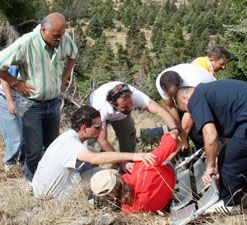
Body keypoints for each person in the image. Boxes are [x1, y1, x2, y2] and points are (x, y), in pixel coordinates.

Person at [175, 79, 247, 210]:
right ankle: (242, 194)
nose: (192, 115)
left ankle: (229, 203)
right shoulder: (211, 92)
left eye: (188, 110)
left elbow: (211, 137)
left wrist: (210, 166)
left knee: (229, 160)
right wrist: (217, 157)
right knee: (239, 155)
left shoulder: (196, 98)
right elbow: (231, 139)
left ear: (186, 98)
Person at [0, 13, 78, 184]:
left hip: (53, 103)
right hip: (31, 104)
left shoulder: (63, 39)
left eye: (62, 34)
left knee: (52, 146)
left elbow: (73, 54)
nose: (59, 39)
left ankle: (50, 180)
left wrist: (65, 76)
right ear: (43, 30)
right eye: (56, 35)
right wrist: (15, 83)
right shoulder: (26, 43)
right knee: (34, 149)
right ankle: (32, 181)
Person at [32, 105, 156, 200]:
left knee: (91, 152)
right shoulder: (71, 144)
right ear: (84, 128)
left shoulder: (68, 136)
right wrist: (134, 156)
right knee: (112, 177)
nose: (101, 129)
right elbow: (94, 158)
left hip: (41, 188)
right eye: (97, 127)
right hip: (51, 194)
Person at [90, 81, 178, 171]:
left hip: (120, 116)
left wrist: (174, 128)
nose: (130, 108)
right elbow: (102, 140)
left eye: (131, 104)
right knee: (96, 139)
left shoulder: (135, 96)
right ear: (114, 105)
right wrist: (122, 162)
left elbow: (160, 110)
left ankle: (129, 165)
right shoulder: (100, 109)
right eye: (125, 107)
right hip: (99, 114)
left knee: (129, 135)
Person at [90, 129, 179, 213]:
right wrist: (172, 132)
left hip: (162, 204)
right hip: (170, 177)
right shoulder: (143, 166)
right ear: (115, 174)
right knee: (159, 157)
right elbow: (170, 142)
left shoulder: (127, 209)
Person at [156, 63, 216, 149]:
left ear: (180, 85)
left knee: (203, 130)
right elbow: (170, 106)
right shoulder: (160, 83)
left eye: (173, 94)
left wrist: (182, 137)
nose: (172, 97)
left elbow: (190, 115)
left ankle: (209, 150)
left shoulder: (194, 81)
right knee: (184, 130)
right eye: (170, 94)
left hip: (211, 98)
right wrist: (177, 129)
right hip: (188, 98)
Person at [0, 66, 25, 176]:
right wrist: (10, 101)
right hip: (7, 98)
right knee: (15, 137)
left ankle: (22, 163)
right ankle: (10, 165)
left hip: (24, 99)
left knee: (27, 135)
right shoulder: (15, 55)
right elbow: (3, 76)